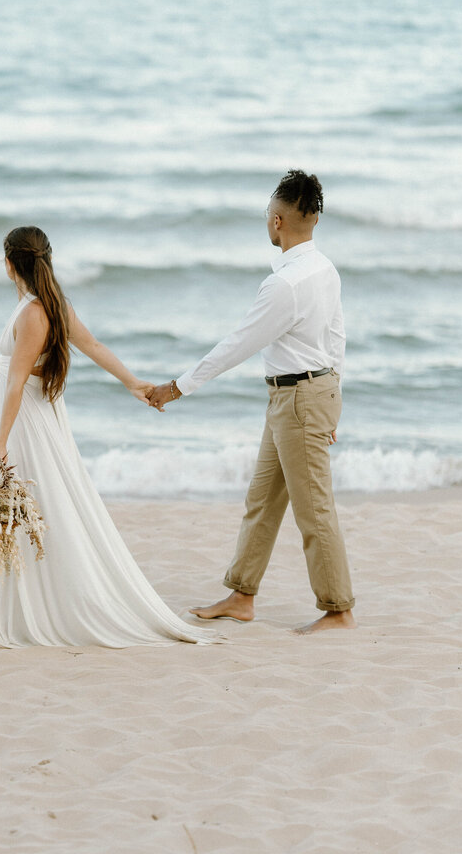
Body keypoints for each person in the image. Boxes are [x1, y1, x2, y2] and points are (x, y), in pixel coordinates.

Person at [0, 226, 211, 648]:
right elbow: (93, 346)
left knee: (33, 509)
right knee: (35, 508)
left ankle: (30, 611)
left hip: (23, 421)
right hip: (29, 415)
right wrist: (132, 382)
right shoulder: (49, 305)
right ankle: (21, 605)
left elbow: (17, 383)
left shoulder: (31, 313)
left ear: (8, 265)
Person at [148, 170, 356, 634]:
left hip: (301, 399)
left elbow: (237, 344)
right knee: (262, 499)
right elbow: (336, 335)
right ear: (315, 219)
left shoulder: (285, 285)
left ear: (278, 221)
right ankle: (241, 596)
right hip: (302, 396)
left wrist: (178, 386)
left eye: (267, 214)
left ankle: (338, 610)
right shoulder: (324, 269)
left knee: (313, 509)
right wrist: (334, 396)